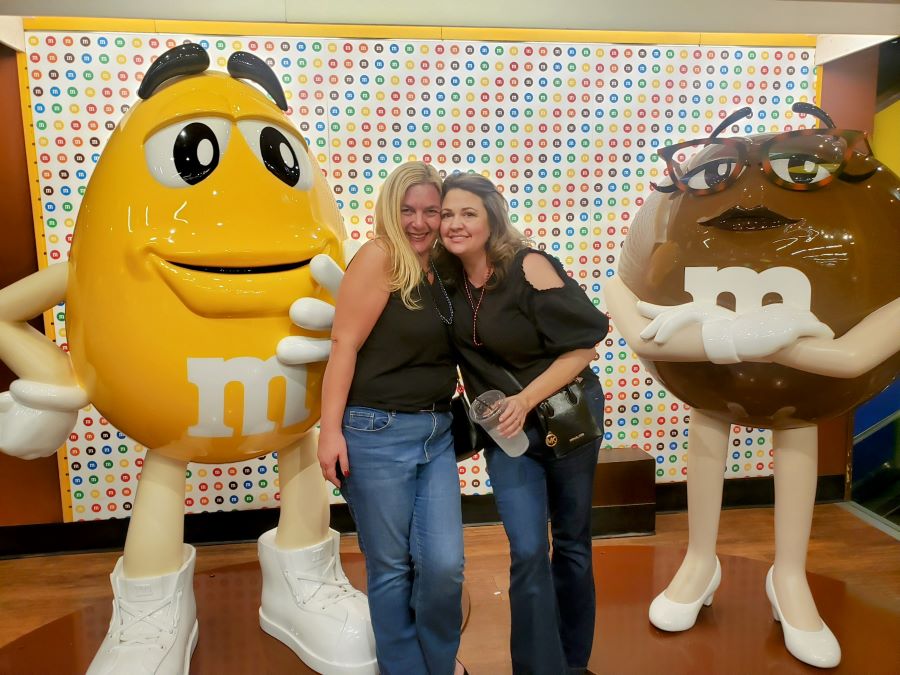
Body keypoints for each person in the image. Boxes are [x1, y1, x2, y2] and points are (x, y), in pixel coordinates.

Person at [437, 172, 609, 675]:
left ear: (491, 218)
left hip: (566, 419)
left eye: (468, 213)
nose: (455, 223)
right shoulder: (444, 280)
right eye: (447, 214)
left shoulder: (528, 266)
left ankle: (573, 663)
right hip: (508, 435)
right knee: (529, 549)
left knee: (572, 543)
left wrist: (526, 397)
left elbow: (583, 347)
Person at [317, 161, 466, 675]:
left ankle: (438, 665)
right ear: (389, 210)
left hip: (437, 434)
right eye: (407, 210)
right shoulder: (380, 257)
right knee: (391, 569)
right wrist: (329, 432)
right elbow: (344, 345)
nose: (419, 222)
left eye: (431, 211)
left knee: (445, 566)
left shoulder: (441, 268)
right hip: (375, 433)